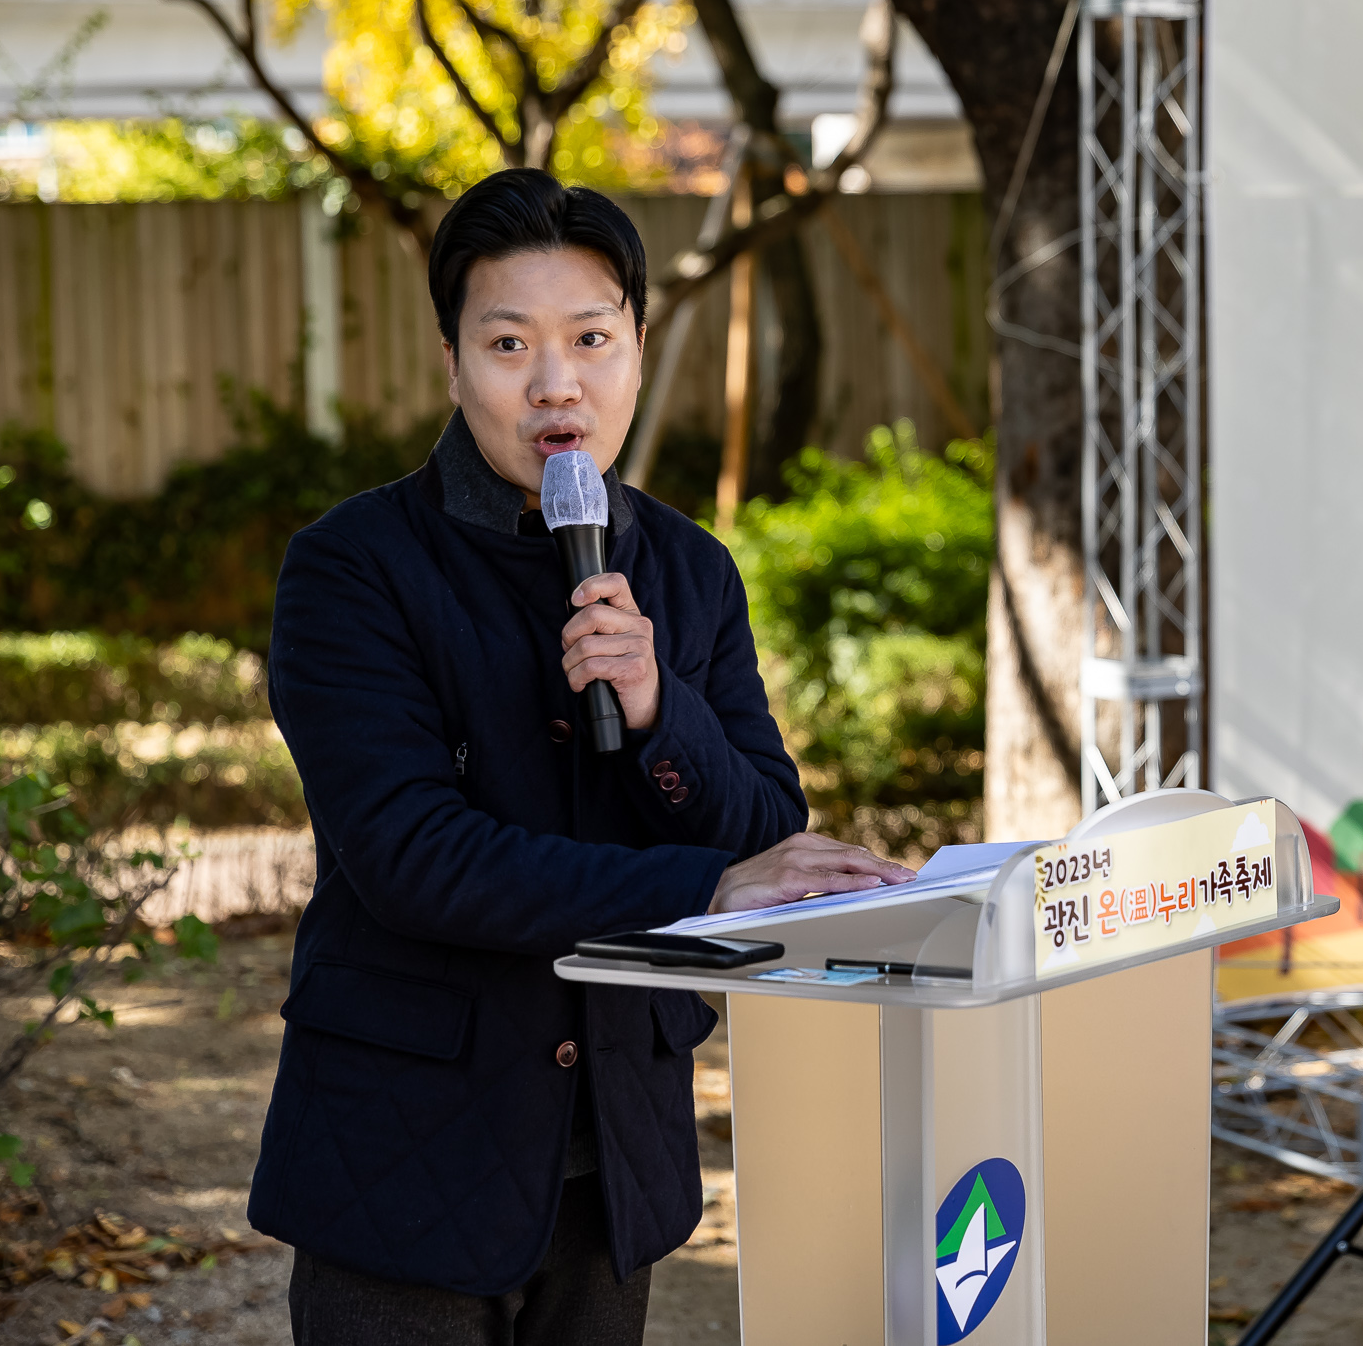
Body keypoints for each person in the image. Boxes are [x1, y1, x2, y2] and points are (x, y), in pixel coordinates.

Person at [249, 168, 914, 1344]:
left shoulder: (689, 568)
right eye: (509, 342)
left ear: (639, 348)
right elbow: (412, 854)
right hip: (404, 1149)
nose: (556, 381)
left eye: (591, 337)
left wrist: (662, 711)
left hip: (615, 1155)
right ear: (451, 360)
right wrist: (696, 888)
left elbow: (764, 823)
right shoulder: (353, 568)